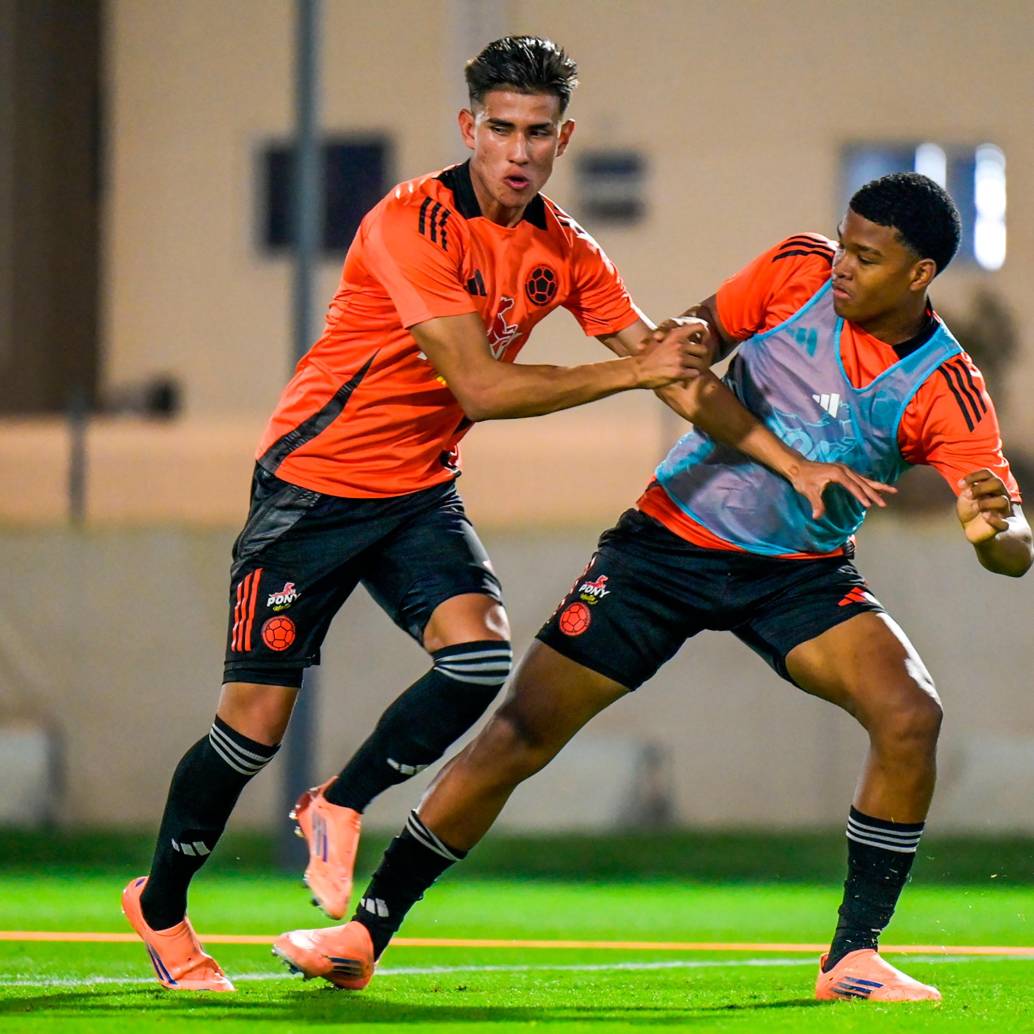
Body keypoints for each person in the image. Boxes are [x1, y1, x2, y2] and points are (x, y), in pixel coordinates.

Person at [120, 36, 883, 992]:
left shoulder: (567, 248)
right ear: (468, 127)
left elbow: (672, 374)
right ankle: (161, 905)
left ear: (564, 138)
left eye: (537, 133)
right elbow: (479, 386)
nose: (518, 151)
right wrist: (634, 372)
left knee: (478, 659)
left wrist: (794, 463)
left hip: (416, 493)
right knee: (251, 731)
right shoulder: (411, 222)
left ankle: (339, 803)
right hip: (311, 490)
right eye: (500, 129)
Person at [272, 172, 1032, 1003]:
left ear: (919, 275)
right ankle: (364, 933)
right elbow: (687, 342)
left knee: (911, 714)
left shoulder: (946, 386)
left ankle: (853, 955)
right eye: (844, 244)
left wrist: (991, 531)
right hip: (665, 546)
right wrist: (687, 338)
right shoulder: (795, 270)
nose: (842, 266)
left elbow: (1014, 548)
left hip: (799, 575)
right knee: (521, 731)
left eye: (867, 258)